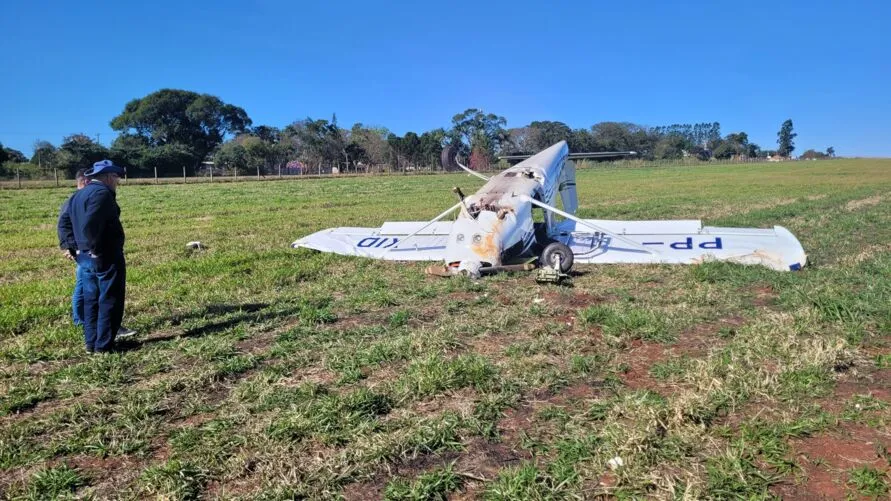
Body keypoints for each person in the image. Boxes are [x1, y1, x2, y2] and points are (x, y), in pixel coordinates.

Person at [58, 160, 132, 353]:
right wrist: (96, 249)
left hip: (83, 256)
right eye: (116, 178)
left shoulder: (77, 195)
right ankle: (104, 345)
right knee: (109, 299)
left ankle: (91, 343)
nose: (117, 182)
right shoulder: (102, 194)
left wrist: (72, 246)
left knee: (91, 299)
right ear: (108, 177)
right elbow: (91, 224)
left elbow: (65, 221)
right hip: (103, 254)